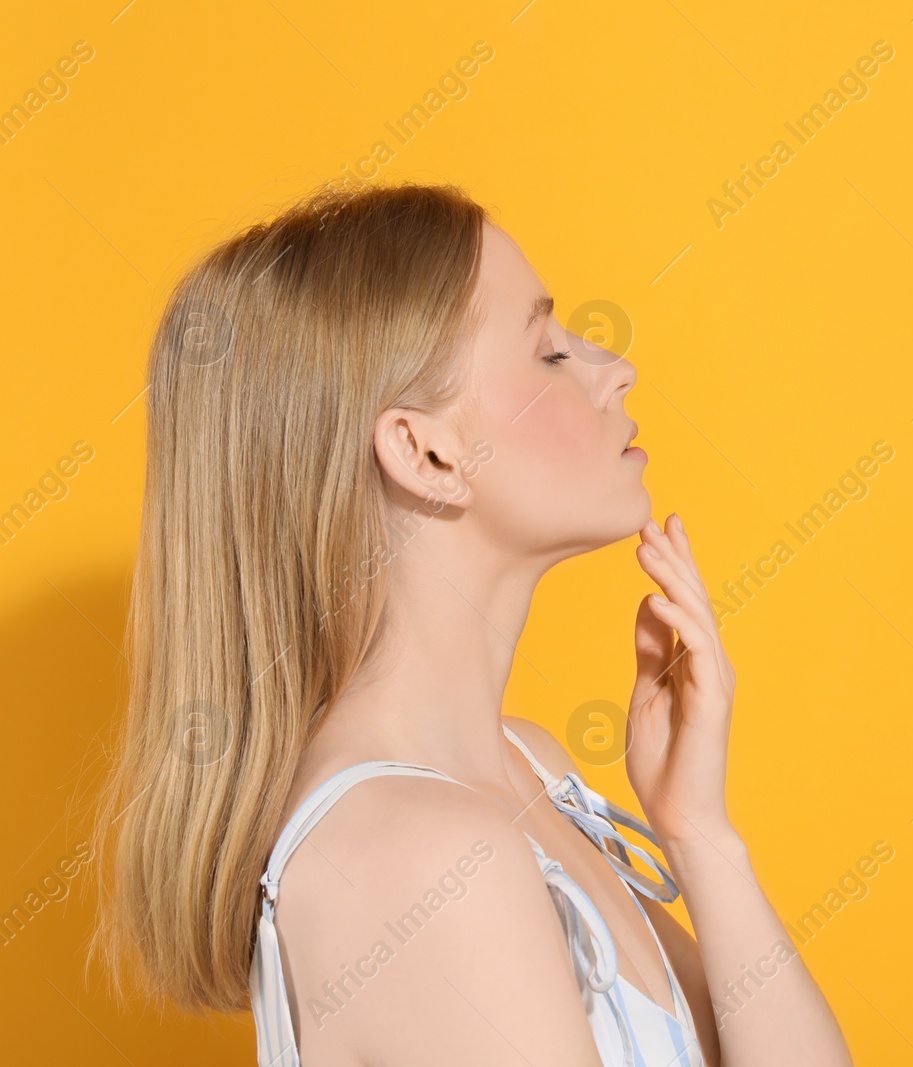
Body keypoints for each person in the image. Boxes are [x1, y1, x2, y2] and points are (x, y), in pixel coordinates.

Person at [92, 181, 853, 1066]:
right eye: (548, 351)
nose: (614, 367)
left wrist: (698, 830)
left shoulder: (532, 772)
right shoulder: (421, 857)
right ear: (426, 453)